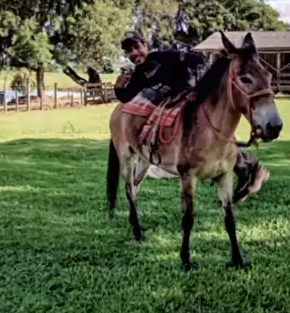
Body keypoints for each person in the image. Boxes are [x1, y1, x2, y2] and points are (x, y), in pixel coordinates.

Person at [114, 33, 268, 202]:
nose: (134, 53)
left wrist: (197, 87)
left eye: (136, 47)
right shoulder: (138, 74)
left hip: (191, 94)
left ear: (145, 45)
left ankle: (243, 161)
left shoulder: (163, 56)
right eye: (129, 51)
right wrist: (118, 87)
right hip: (174, 102)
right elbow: (126, 97)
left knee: (205, 132)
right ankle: (244, 164)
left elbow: (197, 59)